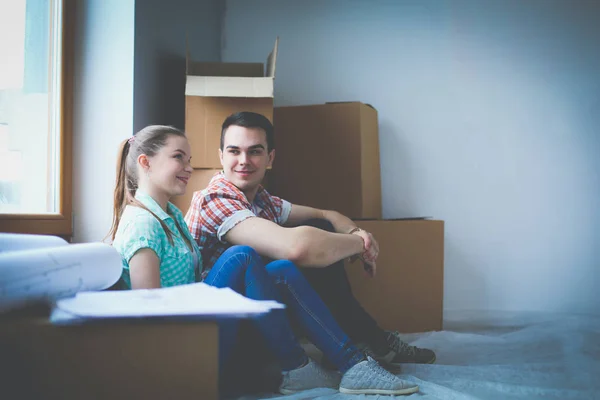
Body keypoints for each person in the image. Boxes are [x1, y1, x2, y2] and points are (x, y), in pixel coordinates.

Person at [107, 125, 419, 396]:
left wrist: (350, 230)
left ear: (270, 158)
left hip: (206, 320)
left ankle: (350, 363)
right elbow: (147, 319)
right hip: (184, 345)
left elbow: (319, 219)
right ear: (145, 163)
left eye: (189, 159)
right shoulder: (144, 222)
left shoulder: (170, 214)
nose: (188, 167)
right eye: (178, 157)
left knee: (281, 269)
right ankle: (299, 364)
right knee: (243, 255)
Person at [184, 112, 436, 371]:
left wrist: (355, 232)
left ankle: (362, 339)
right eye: (234, 151)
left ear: (270, 158)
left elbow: (327, 215)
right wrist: (362, 245)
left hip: (253, 314)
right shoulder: (216, 199)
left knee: (320, 229)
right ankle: (365, 340)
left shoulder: (261, 199)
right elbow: (297, 248)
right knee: (294, 255)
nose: (244, 161)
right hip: (220, 331)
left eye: (255, 151)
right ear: (221, 156)